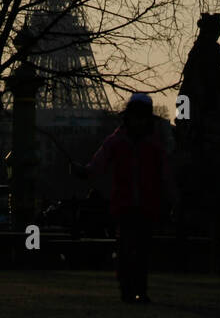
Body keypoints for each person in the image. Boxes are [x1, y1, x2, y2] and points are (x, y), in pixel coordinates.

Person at [74, 93, 174, 303]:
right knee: (132, 248)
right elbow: (99, 162)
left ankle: (135, 288)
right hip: (132, 204)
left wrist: (86, 171)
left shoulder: (122, 141)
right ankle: (132, 289)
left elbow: (99, 162)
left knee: (138, 249)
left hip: (138, 203)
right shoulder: (148, 143)